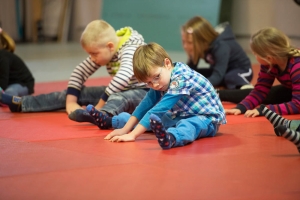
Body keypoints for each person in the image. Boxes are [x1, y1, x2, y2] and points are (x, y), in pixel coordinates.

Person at [0, 20, 148, 126]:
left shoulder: (131, 49)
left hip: (144, 93)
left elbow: (122, 78)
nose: (92, 58)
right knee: (78, 93)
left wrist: (99, 106)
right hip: (120, 89)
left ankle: (101, 115)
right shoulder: (107, 49)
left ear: (110, 46)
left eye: (94, 54)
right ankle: (21, 104)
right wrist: (71, 101)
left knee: (118, 98)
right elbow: (80, 71)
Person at [89, 42, 226, 150]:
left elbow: (159, 109)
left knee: (188, 125)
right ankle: (111, 121)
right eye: (148, 82)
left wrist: (133, 135)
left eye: (156, 77)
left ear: (167, 64)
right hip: (180, 115)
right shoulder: (161, 80)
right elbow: (145, 104)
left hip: (207, 119)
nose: (154, 85)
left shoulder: (181, 78)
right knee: (155, 120)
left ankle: (171, 138)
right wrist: (125, 129)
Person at [223, 27, 300, 117]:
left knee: (275, 95)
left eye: (255, 54)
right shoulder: (269, 64)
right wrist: (241, 107)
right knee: (274, 94)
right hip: (290, 89)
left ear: (268, 58)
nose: (254, 56)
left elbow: (298, 104)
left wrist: (265, 110)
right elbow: (260, 90)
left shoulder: (296, 66)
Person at [181, 16, 253, 89]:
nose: (186, 46)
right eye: (184, 42)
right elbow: (190, 71)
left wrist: (198, 86)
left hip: (242, 71)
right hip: (223, 71)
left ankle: (245, 88)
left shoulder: (221, 46)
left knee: (230, 77)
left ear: (203, 40)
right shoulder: (200, 47)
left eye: (190, 42)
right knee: (197, 75)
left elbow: (218, 75)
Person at [0, 27, 35, 97]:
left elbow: (3, 82)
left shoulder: (3, 57)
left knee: (9, 93)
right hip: (9, 83)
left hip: (22, 84)